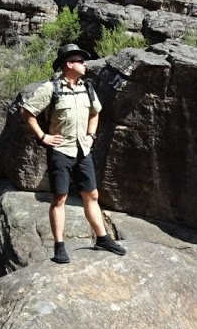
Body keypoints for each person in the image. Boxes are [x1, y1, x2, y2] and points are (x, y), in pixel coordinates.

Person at [20, 43, 127, 264]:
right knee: (60, 198)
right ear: (69, 64)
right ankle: (59, 247)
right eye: (80, 61)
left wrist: (91, 135)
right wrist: (43, 137)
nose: (85, 65)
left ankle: (102, 239)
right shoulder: (51, 88)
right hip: (60, 151)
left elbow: (95, 112)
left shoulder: (87, 87)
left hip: (83, 150)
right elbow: (27, 111)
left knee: (92, 195)